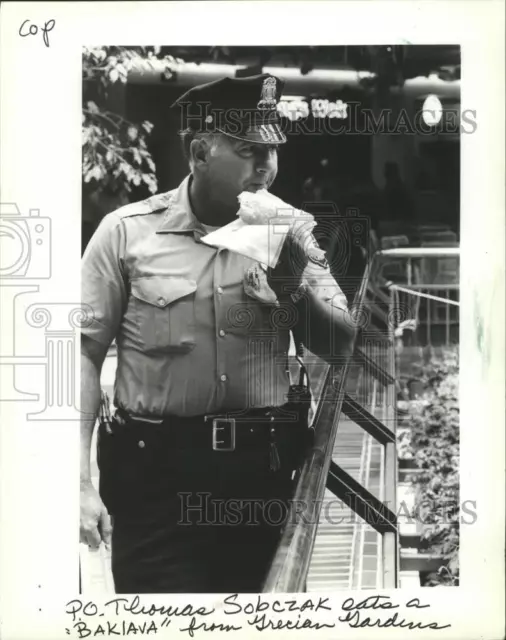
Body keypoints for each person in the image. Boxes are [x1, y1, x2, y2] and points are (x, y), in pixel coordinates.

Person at [79, 73, 357, 594]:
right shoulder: (126, 233)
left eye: (273, 152)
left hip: (260, 472)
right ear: (201, 152)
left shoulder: (291, 231)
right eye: (250, 151)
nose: (266, 167)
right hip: (152, 475)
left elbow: (342, 343)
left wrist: (291, 284)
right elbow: (83, 356)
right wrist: (78, 481)